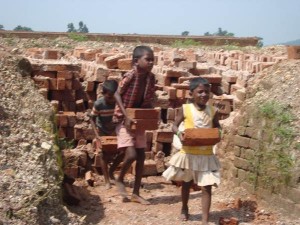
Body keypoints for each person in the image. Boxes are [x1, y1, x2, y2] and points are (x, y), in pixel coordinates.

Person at [162, 77, 221, 224]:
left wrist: (218, 134)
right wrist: (179, 134)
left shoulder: (213, 111)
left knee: (206, 186)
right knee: (187, 182)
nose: (204, 95)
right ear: (191, 94)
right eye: (200, 92)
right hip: (189, 153)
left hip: (206, 154)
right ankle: (184, 207)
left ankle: (205, 220)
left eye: (206, 92)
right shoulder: (186, 109)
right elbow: (174, 126)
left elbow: (218, 127)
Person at [113, 45, 156, 205]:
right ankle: (119, 178)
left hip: (139, 119)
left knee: (142, 156)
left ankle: (136, 193)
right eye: (148, 59)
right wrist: (125, 115)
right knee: (131, 155)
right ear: (136, 61)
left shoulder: (151, 78)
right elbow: (117, 93)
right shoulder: (131, 75)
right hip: (123, 119)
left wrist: (150, 113)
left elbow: (150, 97)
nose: (151, 62)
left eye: (153, 60)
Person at [91, 79, 124, 188]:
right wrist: (96, 135)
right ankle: (106, 180)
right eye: (109, 97)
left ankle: (111, 171)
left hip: (115, 130)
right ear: (103, 94)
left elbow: (123, 116)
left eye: (114, 97)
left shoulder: (119, 103)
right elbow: (92, 119)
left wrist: (118, 123)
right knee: (103, 155)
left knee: (122, 152)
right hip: (103, 131)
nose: (111, 100)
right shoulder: (99, 104)